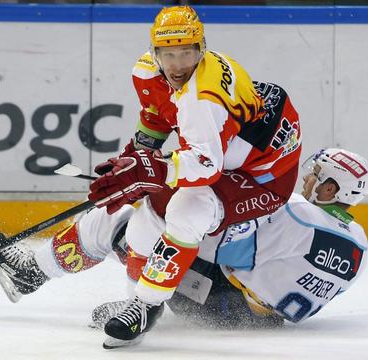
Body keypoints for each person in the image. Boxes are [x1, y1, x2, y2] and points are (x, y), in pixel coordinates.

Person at [0, 147, 368, 348]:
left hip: (216, 304)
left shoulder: (294, 212)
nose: (305, 179)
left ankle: (31, 273)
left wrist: (165, 192)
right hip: (254, 318)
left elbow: (220, 248)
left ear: (332, 189)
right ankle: (141, 302)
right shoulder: (359, 241)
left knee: (132, 216)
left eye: (316, 176)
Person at [83, 5, 302, 347]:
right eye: (168, 54)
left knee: (189, 209)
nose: (178, 64)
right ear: (153, 53)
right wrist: (134, 161)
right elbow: (157, 119)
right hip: (234, 144)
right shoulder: (147, 72)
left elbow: (205, 166)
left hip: (264, 176)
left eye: (187, 53)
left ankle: (145, 303)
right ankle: (139, 299)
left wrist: (150, 169)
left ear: (201, 49)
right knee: (150, 205)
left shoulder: (202, 100)